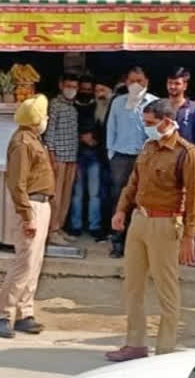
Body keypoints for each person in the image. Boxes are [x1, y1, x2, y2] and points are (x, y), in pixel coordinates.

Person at [106, 99, 195, 362]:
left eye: (150, 123)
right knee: (133, 285)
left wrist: (190, 236)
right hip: (140, 219)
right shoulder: (148, 148)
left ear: (167, 121)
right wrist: (120, 210)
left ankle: (165, 350)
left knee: (166, 288)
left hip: (166, 223)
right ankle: (135, 343)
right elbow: (133, 182)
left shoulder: (187, 153)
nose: (147, 127)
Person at [0, 94, 54, 339]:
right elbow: (17, 183)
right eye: (44, 115)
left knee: (34, 263)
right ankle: (3, 315)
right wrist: (27, 215)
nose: (47, 119)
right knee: (24, 264)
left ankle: (24, 313)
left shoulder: (32, 139)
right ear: (37, 119)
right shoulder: (23, 143)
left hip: (41, 204)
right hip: (31, 206)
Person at [105, 66, 158, 258]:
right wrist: (111, 153)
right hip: (121, 156)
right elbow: (111, 128)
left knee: (143, 198)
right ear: (126, 83)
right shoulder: (118, 102)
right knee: (119, 199)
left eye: (140, 81)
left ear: (147, 82)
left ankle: (140, 243)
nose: (136, 85)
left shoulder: (154, 103)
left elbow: (158, 131)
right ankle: (118, 241)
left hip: (146, 157)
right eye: (132, 81)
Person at [43, 74, 80, 246]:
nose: (71, 90)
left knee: (66, 195)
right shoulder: (55, 105)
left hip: (71, 156)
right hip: (58, 158)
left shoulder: (73, 106)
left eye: (74, 86)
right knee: (55, 196)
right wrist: (52, 157)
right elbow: (50, 133)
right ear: (60, 85)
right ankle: (52, 230)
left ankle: (59, 227)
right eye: (68, 86)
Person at [68, 76, 104, 240]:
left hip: (94, 154)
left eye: (89, 90)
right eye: (83, 89)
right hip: (76, 153)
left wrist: (94, 138)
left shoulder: (99, 105)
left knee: (95, 193)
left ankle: (94, 226)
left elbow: (103, 127)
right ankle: (75, 226)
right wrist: (81, 137)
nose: (86, 92)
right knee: (77, 194)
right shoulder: (71, 105)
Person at [94, 76, 115, 238]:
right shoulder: (97, 108)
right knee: (102, 195)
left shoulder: (115, 106)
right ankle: (103, 228)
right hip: (100, 158)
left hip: (115, 159)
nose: (100, 94)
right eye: (97, 91)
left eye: (103, 91)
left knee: (114, 195)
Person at [167, 67, 195, 142]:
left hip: (186, 152)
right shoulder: (160, 106)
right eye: (170, 83)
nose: (172, 86)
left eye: (177, 83)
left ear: (185, 86)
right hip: (164, 152)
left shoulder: (194, 108)